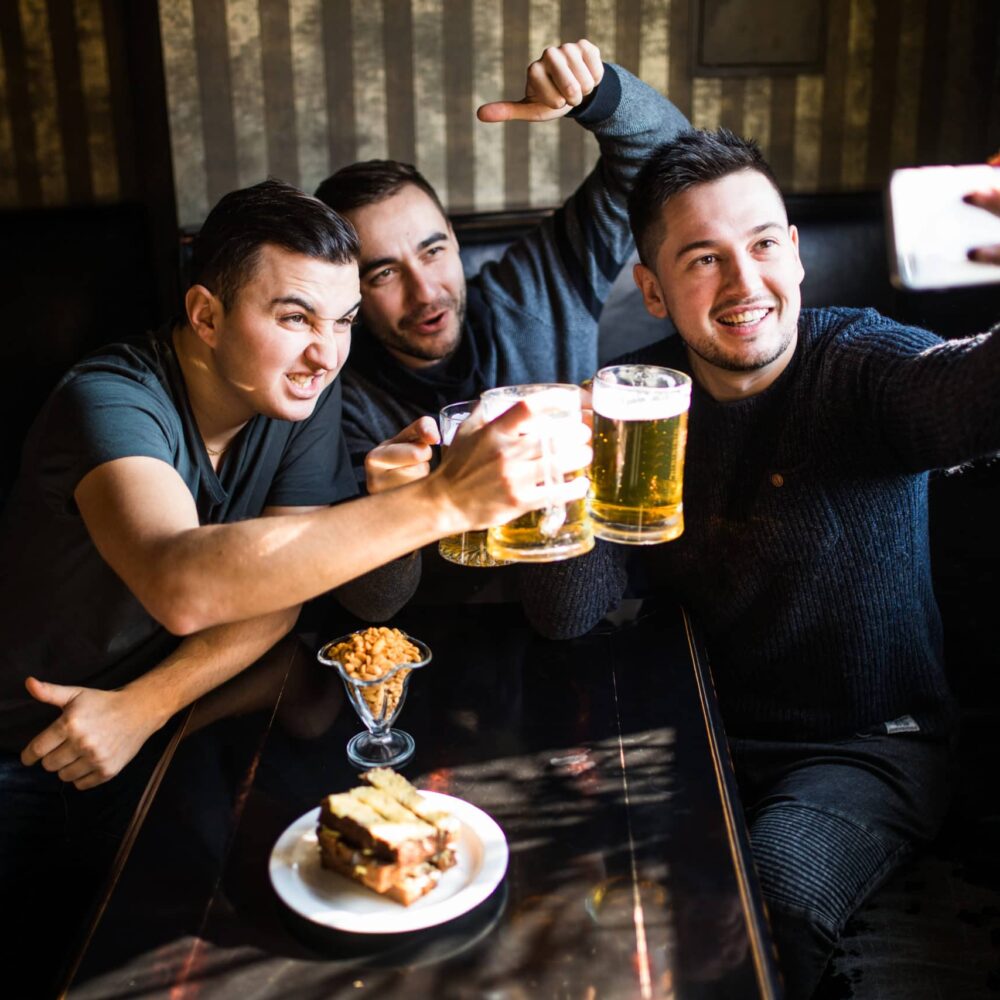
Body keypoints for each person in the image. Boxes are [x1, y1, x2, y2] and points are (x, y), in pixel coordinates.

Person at [0, 178, 589, 992]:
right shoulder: (108, 399)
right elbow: (182, 581)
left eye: (343, 321)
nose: (326, 353)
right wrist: (441, 503)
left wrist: (147, 705)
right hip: (24, 744)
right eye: (294, 318)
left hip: (167, 726)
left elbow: (279, 592)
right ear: (206, 316)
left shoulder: (301, 398)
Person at [518, 130, 1000, 998]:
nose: (745, 284)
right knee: (556, 879)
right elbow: (567, 612)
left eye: (765, 244)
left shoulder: (862, 362)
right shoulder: (639, 401)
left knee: (768, 899)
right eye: (704, 259)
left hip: (869, 744)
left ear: (798, 255)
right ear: (654, 291)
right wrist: (563, 477)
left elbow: (967, 396)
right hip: (701, 734)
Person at [313, 40, 688, 611]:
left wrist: (596, 92)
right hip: (437, 636)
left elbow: (671, 165)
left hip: (585, 609)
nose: (425, 291)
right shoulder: (336, 399)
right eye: (384, 273)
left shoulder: (539, 289)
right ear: (349, 292)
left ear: (454, 238)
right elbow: (374, 605)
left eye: (433, 251)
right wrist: (389, 511)